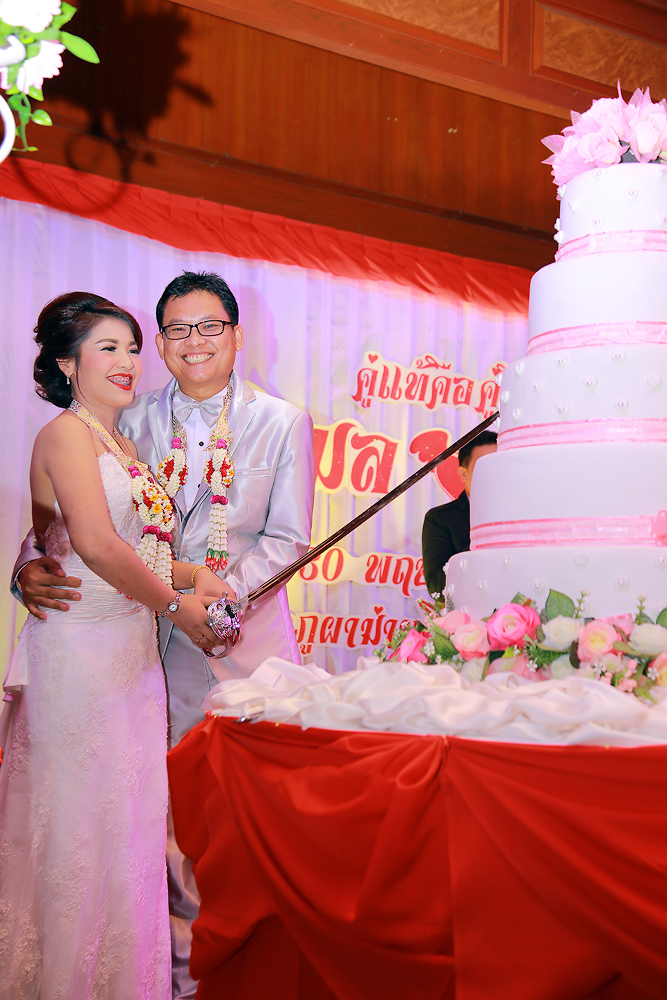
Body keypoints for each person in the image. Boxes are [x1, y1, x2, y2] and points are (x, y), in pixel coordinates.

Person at [13, 271, 316, 1000]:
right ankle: (167, 975)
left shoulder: (283, 422)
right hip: (143, 644)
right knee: (151, 824)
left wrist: (217, 605)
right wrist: (24, 570)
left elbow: (287, 539)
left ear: (235, 335)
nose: (193, 342)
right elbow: (70, 527)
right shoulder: (127, 414)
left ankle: (248, 975)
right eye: (177, 330)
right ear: (162, 340)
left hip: (246, 652)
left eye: (209, 326)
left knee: (251, 825)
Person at [0, 292, 225, 1000]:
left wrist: (194, 575)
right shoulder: (65, 435)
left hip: (131, 658)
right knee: (77, 831)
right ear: (68, 363)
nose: (128, 361)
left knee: (126, 832)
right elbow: (89, 545)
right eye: (108, 347)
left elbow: (135, 548)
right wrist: (177, 604)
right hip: (79, 654)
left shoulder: (123, 445)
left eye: (132, 347)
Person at [421, 431, 497, 598]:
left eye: (500, 464)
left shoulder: (523, 514)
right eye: (485, 466)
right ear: (464, 474)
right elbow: (437, 586)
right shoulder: (440, 519)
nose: (495, 473)